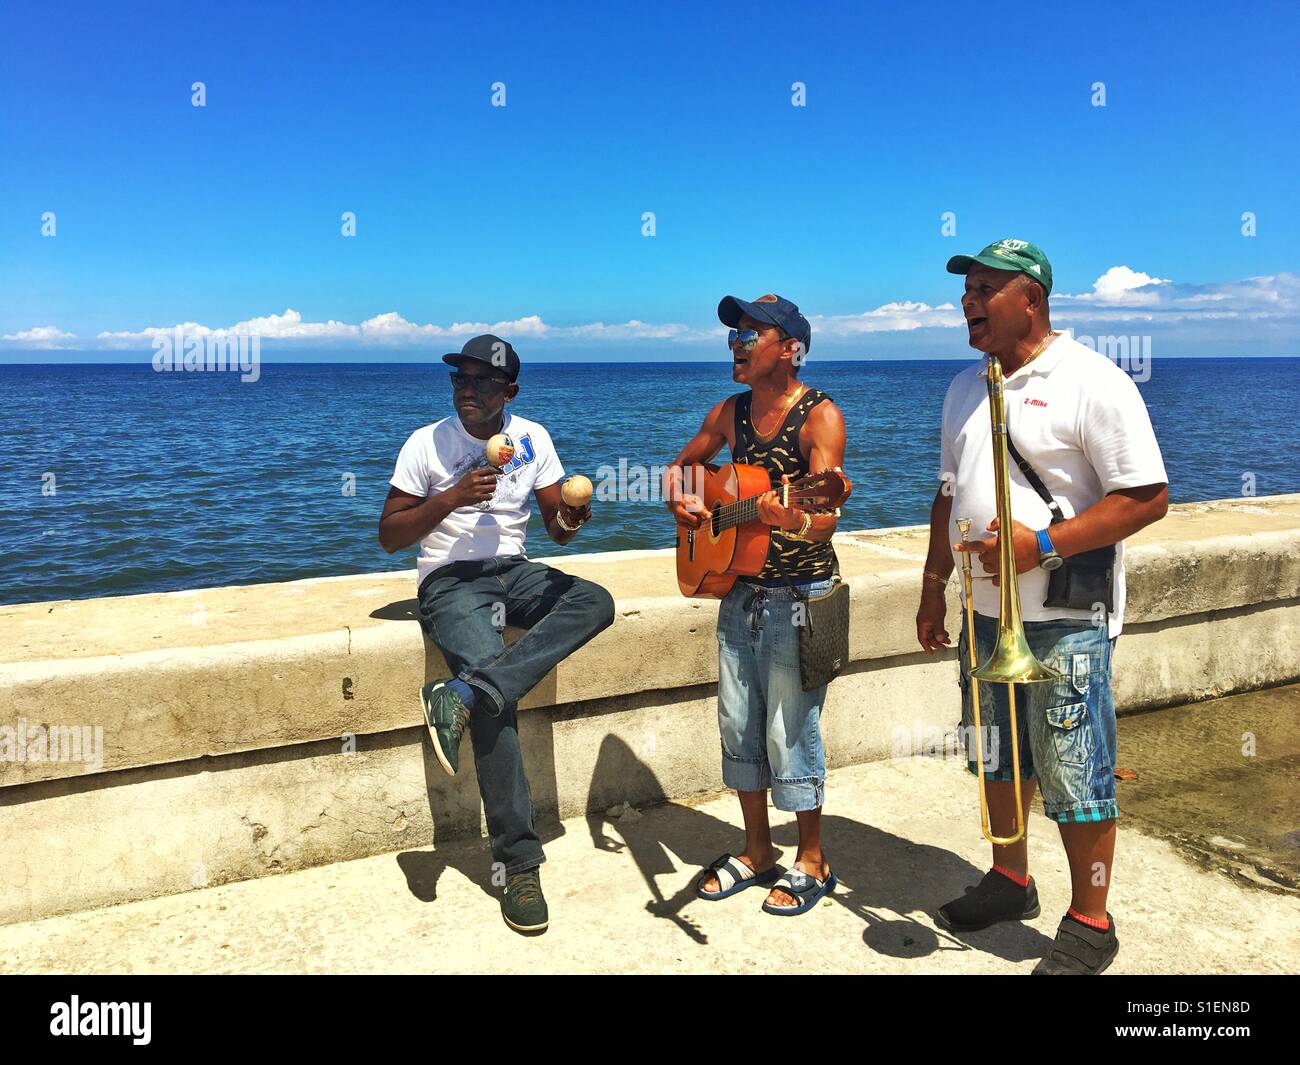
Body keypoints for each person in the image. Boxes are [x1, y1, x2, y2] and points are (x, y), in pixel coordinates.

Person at [916, 240, 1168, 974]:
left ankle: (1092, 921)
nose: (968, 301)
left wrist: (1045, 544)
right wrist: (934, 587)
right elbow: (944, 493)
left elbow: (1147, 496)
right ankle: (1010, 878)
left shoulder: (1094, 379)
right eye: (965, 290)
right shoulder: (965, 385)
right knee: (998, 757)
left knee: (1076, 771)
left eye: (985, 289)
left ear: (1031, 297)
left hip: (1064, 620)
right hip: (986, 615)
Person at [379, 333, 615, 935]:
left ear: (508, 392)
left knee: (595, 601)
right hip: (450, 582)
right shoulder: (426, 443)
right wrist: (453, 496)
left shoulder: (533, 439)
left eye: (483, 382)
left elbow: (556, 530)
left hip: (514, 573)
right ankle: (519, 864)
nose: (468, 391)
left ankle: (464, 692)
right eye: (460, 380)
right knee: (499, 706)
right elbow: (390, 534)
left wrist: (573, 516)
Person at [665, 294, 848, 916]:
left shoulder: (820, 417)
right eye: (734, 335)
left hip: (800, 596)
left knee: (791, 727)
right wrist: (686, 503)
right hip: (737, 589)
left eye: (751, 334)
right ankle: (757, 850)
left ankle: (814, 861)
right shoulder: (729, 411)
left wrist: (790, 519)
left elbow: (823, 518)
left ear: (790, 348)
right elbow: (683, 468)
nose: (736, 345)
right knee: (739, 723)